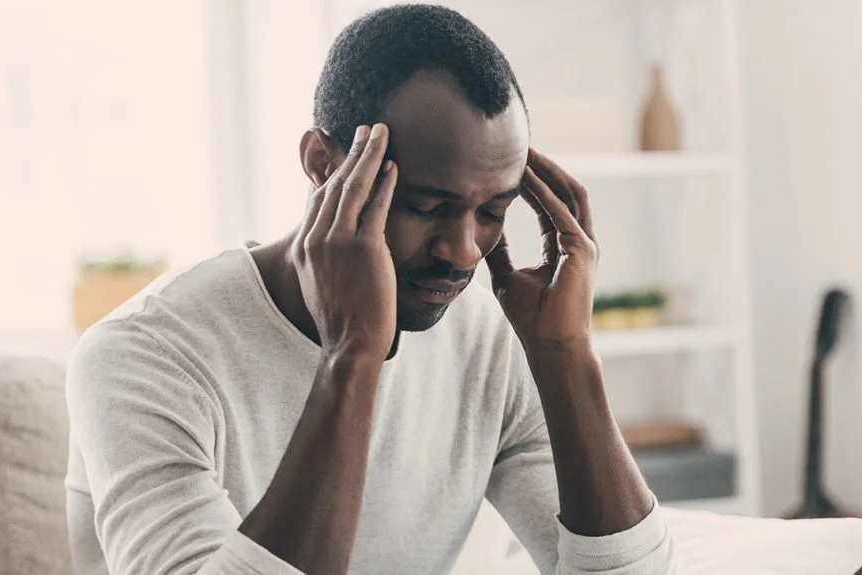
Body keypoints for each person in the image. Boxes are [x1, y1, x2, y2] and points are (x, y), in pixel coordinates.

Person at [65, 4, 676, 574]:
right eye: (425, 205)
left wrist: (566, 355)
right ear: (322, 163)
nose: (462, 250)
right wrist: (353, 355)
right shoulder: (138, 356)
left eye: (493, 210)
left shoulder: (488, 336)